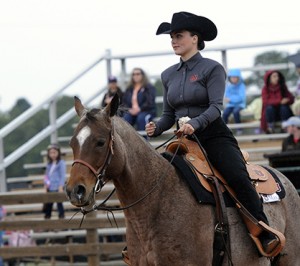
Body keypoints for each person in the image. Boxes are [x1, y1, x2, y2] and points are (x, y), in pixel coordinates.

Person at [145, 11, 280, 254]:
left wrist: (195, 123)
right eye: (172, 37)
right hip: (183, 140)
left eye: (179, 36)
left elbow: (216, 108)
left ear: (195, 38)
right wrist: (157, 127)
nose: (174, 41)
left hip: (213, 136)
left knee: (237, 177)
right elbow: (168, 114)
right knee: (156, 181)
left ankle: (264, 230)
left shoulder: (212, 68)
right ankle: (146, 240)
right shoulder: (167, 75)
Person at [43, 144, 66, 219]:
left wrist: (61, 186)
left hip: (57, 187)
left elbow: (62, 175)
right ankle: (47, 220)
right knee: (48, 205)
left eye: (54, 152)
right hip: (50, 187)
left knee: (59, 204)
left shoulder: (61, 163)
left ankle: (62, 220)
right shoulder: (49, 164)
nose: (53, 154)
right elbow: (46, 175)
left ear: (58, 153)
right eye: (51, 153)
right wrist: (46, 185)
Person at [222, 68, 246, 134]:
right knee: (225, 113)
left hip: (240, 105)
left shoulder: (242, 86)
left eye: (235, 77)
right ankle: (225, 130)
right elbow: (226, 97)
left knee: (236, 112)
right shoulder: (229, 86)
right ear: (230, 78)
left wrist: (231, 99)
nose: (234, 79)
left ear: (239, 78)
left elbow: (241, 98)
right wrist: (233, 99)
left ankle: (239, 129)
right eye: (232, 77)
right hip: (230, 105)